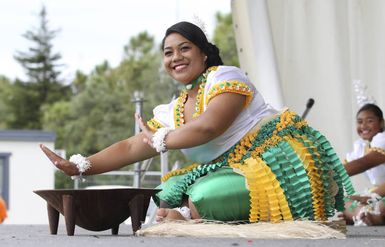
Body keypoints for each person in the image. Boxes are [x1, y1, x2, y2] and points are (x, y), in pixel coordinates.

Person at [40, 21, 354, 223]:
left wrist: (160, 139)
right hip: (232, 168)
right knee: (166, 191)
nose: (175, 56)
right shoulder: (174, 109)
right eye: (168, 52)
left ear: (203, 53)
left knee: (203, 196)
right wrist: (80, 166)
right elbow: (132, 145)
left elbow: (209, 127)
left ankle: (192, 214)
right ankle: (188, 214)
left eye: (184, 48)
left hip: (278, 164)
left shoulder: (225, 76)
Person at [343, 103, 385, 225]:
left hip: (381, 193)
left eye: (369, 121)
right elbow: (342, 166)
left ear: (381, 123)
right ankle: (361, 215)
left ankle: (373, 217)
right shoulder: (360, 147)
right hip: (376, 192)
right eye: (360, 122)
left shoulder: (383, 139)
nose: (363, 126)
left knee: (381, 206)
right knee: (342, 201)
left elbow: (363, 163)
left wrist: (327, 175)